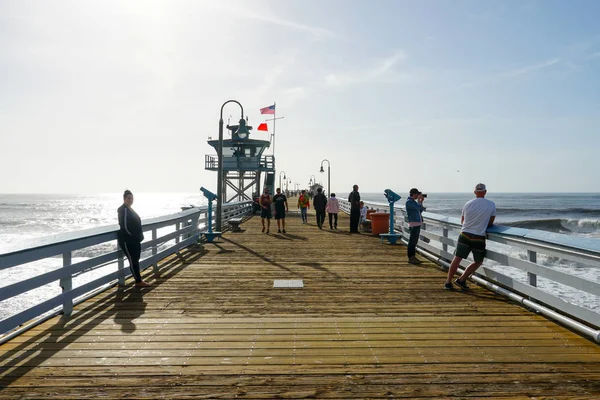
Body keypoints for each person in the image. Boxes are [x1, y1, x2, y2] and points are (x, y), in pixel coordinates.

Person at [445, 183, 496, 290]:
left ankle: (448, 282)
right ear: (485, 192)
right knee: (478, 261)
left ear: (475, 192)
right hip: (478, 236)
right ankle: (462, 279)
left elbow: (462, 221)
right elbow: (490, 223)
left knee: (457, 258)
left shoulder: (468, 204)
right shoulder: (491, 204)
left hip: (464, 234)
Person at [117, 190, 151, 287]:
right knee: (133, 260)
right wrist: (132, 236)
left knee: (136, 258)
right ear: (124, 199)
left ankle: (138, 279)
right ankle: (138, 281)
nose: (130, 200)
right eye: (128, 198)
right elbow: (124, 225)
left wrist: (140, 236)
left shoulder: (130, 209)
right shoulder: (122, 209)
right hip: (127, 240)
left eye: (132, 198)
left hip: (135, 240)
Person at [405, 188, 426, 265]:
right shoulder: (409, 202)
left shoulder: (412, 202)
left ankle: (413, 257)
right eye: (417, 194)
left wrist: (421, 202)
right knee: (412, 242)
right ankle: (411, 257)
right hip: (414, 224)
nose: (418, 196)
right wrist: (419, 201)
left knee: (414, 241)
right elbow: (418, 208)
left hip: (416, 223)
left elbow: (420, 210)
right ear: (413, 194)